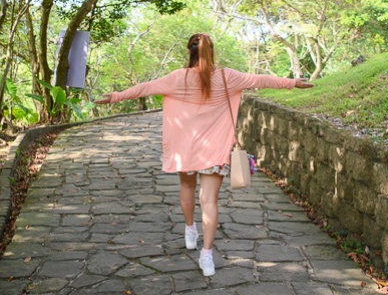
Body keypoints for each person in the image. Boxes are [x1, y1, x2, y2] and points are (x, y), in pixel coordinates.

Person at [94, 33, 313, 277]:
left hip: (185, 150)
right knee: (210, 201)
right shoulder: (228, 77)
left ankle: (190, 229)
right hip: (214, 151)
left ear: (191, 52)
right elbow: (260, 79)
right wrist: (292, 83)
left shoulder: (178, 78)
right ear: (212, 52)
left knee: (187, 188)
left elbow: (145, 88)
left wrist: (115, 97)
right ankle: (206, 255)